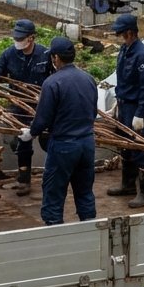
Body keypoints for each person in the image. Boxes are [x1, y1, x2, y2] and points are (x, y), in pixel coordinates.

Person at [25, 36, 98, 225]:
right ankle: (89, 226)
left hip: (64, 146)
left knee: (54, 191)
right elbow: (92, 112)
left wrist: (31, 132)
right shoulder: (88, 79)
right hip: (87, 144)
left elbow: (43, 118)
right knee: (84, 190)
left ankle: (54, 230)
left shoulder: (52, 83)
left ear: (55, 57)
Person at [0, 19, 52, 196]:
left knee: (48, 142)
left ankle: (55, 175)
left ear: (31, 38)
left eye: (21, 39)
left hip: (41, 106)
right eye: (16, 38)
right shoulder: (9, 53)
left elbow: (56, 76)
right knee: (21, 142)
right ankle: (23, 180)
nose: (17, 42)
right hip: (18, 107)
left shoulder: (45, 54)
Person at [106, 13, 144, 209]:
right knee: (125, 146)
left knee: (141, 148)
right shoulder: (124, 50)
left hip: (138, 107)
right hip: (125, 105)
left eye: (121, 34)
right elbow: (123, 79)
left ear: (129, 32)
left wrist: (140, 114)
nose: (119, 37)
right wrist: (117, 102)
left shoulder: (142, 54)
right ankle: (127, 185)